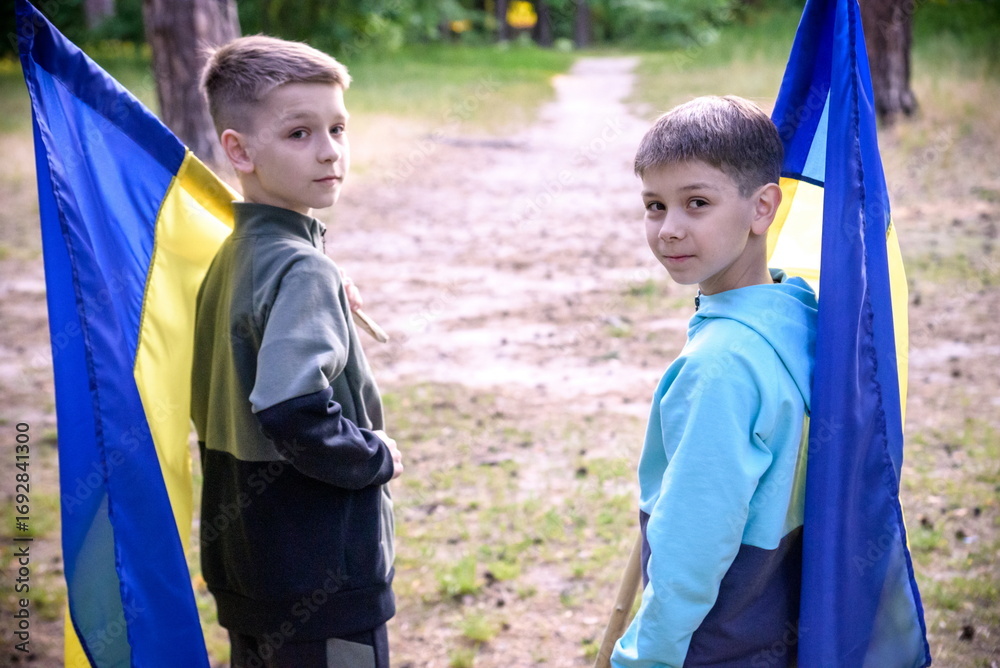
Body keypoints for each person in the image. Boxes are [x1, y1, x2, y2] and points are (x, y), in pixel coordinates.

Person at [191, 35, 402, 668]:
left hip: (248, 566)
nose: (330, 150)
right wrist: (374, 457)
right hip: (321, 576)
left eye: (338, 128)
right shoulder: (301, 270)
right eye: (299, 133)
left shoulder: (231, 257)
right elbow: (291, 410)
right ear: (239, 150)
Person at [611, 96, 818, 667]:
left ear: (762, 208)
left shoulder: (719, 367)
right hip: (774, 624)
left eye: (696, 203)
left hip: (712, 644)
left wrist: (645, 658)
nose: (669, 230)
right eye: (655, 206)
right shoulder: (799, 316)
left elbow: (691, 550)